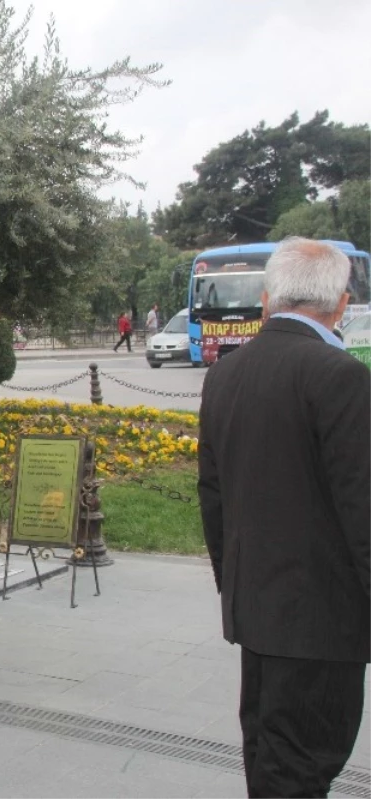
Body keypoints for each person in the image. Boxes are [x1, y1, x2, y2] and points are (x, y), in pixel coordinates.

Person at [198, 237, 371, 797]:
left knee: (270, 762)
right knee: (300, 769)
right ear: (341, 303)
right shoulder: (341, 376)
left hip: (259, 614)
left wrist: (238, 590)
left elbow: (213, 498)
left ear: (267, 299)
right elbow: (362, 508)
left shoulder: (226, 374)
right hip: (325, 623)